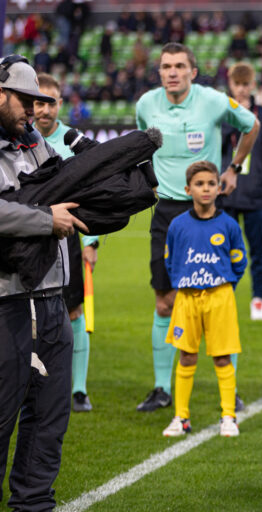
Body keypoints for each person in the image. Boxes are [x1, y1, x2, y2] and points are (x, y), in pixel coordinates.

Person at [135, 42, 259, 413]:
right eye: (165, 66)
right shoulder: (146, 105)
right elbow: (141, 145)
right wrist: (149, 178)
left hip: (208, 213)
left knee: (218, 299)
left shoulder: (213, 100)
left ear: (193, 70)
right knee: (164, 302)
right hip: (167, 213)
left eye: (179, 66)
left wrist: (233, 168)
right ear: (159, 72)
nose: (171, 72)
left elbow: (251, 125)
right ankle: (161, 388)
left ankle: (230, 388)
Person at [0, 54, 89, 510]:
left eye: (38, 102)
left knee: (49, 423)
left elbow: (68, 191)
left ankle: (34, 506)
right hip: (5, 304)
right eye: (24, 101)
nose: (33, 111)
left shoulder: (35, 142)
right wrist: (40, 219)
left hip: (52, 301)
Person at [161, 161, 246, 438]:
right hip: (187, 298)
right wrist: (182, 285)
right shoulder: (178, 225)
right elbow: (170, 259)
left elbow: (239, 261)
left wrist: (224, 285)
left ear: (219, 188)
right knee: (186, 355)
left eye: (211, 183)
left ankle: (228, 416)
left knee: (222, 357)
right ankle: (181, 417)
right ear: (188, 189)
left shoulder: (229, 225)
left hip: (220, 297)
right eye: (199, 184)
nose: (206, 189)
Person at [33, 72, 100, 413]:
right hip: (28, 239)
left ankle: (78, 389)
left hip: (69, 240)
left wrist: (93, 242)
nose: (44, 110)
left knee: (73, 312)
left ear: (61, 104)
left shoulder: (73, 143)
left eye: (51, 102)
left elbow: (91, 196)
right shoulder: (18, 141)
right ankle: (37, 383)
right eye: (39, 101)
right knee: (27, 313)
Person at [221, 62, 262, 321]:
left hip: (255, 192)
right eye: (237, 85)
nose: (241, 89)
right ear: (230, 85)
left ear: (253, 86)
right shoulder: (221, 114)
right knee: (223, 249)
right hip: (224, 193)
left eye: (246, 85)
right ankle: (224, 296)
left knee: (258, 249)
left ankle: (259, 298)